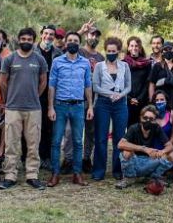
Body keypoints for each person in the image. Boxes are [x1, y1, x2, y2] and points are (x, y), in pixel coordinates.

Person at [0, 28, 49, 190]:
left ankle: (32, 175)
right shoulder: (10, 59)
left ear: (34, 41)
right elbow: (3, 82)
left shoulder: (39, 60)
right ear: (18, 40)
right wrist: (8, 99)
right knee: (11, 144)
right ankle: (10, 175)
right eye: (23, 38)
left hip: (33, 108)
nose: (26, 41)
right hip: (12, 107)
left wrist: (34, 95)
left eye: (29, 39)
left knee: (33, 143)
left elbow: (43, 82)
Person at [47, 31, 94, 187]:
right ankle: (55, 174)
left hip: (78, 106)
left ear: (79, 44)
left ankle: (77, 173)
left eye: (76, 40)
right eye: (70, 40)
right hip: (60, 105)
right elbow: (52, 85)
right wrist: (50, 107)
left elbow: (88, 85)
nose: (73, 42)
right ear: (66, 43)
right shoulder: (57, 62)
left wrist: (90, 106)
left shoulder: (85, 63)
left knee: (77, 141)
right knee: (56, 141)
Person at [92, 37, 131, 181]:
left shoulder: (125, 66)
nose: (111, 53)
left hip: (120, 104)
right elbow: (95, 86)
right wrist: (110, 94)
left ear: (118, 51)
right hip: (103, 103)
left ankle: (117, 169)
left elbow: (128, 86)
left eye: (114, 51)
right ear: (105, 51)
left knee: (119, 138)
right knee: (101, 138)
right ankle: (98, 170)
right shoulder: (99, 66)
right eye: (108, 51)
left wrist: (120, 94)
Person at [115, 105, 173, 189]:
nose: (148, 121)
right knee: (126, 151)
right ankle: (129, 178)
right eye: (145, 118)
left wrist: (161, 152)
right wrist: (144, 149)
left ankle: (154, 178)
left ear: (155, 121)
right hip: (134, 161)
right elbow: (120, 144)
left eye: (151, 119)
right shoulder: (134, 128)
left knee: (172, 155)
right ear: (140, 118)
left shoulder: (156, 128)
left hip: (150, 160)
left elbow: (170, 146)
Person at [34, 25, 63, 171]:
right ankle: (32, 157)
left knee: (49, 128)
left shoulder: (58, 53)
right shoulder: (32, 51)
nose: (48, 37)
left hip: (53, 96)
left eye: (52, 34)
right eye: (46, 33)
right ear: (41, 35)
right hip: (34, 95)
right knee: (34, 128)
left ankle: (47, 158)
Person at [76, 22, 104, 173]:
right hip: (78, 97)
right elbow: (68, 43)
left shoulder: (100, 57)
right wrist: (81, 31)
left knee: (91, 131)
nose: (94, 37)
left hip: (94, 99)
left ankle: (86, 158)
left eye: (96, 35)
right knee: (75, 130)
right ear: (87, 36)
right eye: (92, 34)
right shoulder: (79, 52)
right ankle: (72, 159)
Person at [148, 42, 173, 111]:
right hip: (159, 101)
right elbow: (152, 84)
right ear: (162, 52)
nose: (168, 51)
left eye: (170, 49)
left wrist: (165, 80)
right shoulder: (157, 66)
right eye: (165, 49)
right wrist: (151, 101)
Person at [124, 36, 152, 126]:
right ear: (128, 48)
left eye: (136, 46)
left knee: (141, 127)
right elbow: (121, 83)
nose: (134, 48)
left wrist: (139, 99)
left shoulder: (147, 64)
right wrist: (130, 99)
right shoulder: (123, 63)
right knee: (129, 128)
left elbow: (147, 83)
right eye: (131, 46)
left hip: (142, 101)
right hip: (127, 101)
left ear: (140, 48)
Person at [152, 91, 173, 164]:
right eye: (157, 100)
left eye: (162, 99)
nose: (159, 102)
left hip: (167, 146)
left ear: (166, 101)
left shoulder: (172, 114)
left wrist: (167, 149)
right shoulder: (151, 115)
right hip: (153, 147)